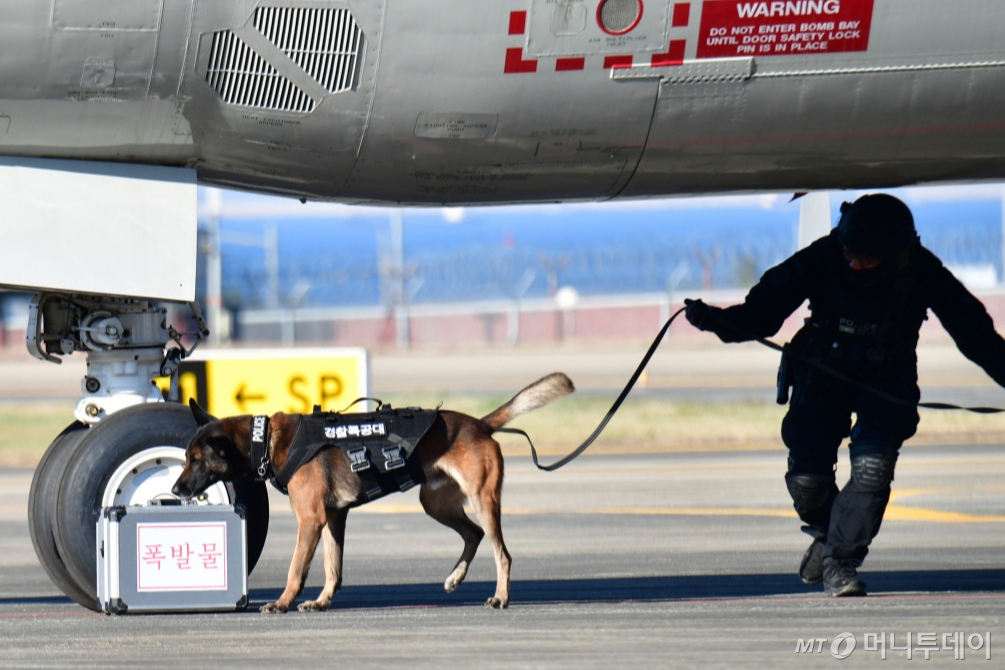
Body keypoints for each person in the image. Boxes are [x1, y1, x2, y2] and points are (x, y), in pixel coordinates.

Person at [684, 194, 1005, 597]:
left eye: (865, 258)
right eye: (849, 254)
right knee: (806, 481)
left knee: (872, 470)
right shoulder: (826, 255)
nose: (853, 263)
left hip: (887, 379)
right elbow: (762, 313)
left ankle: (839, 560)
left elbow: (977, 337)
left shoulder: (922, 270)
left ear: (897, 253)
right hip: (824, 373)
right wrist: (715, 319)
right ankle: (828, 535)